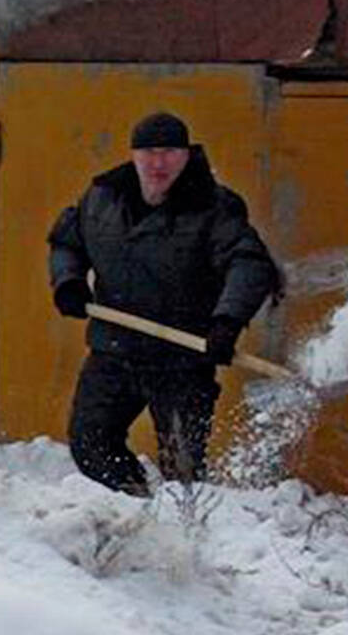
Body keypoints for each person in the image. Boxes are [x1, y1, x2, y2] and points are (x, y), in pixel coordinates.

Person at [47, 111, 280, 496]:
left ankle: (185, 535)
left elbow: (249, 263)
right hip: (114, 349)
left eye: (170, 151)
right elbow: (67, 242)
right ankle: (138, 509)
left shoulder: (214, 207)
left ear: (187, 155)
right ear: (134, 155)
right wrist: (68, 281)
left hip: (182, 359)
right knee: (89, 443)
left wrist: (228, 321)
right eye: (149, 152)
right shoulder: (101, 198)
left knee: (182, 462)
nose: (158, 163)